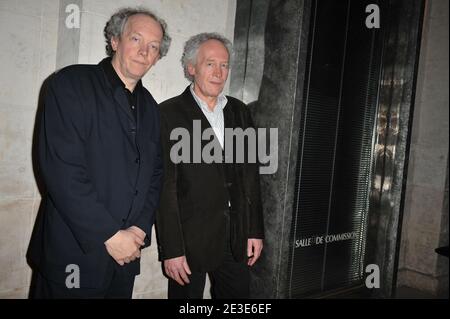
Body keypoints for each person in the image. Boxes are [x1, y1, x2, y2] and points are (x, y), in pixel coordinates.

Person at [27, 7, 171, 298]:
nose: (145, 51)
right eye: (136, 39)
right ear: (115, 40)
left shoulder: (152, 108)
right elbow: (62, 170)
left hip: (125, 259)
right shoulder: (69, 84)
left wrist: (140, 230)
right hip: (73, 256)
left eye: (153, 47)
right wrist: (110, 235)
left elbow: (155, 174)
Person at [157, 33, 264, 299]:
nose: (219, 72)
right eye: (210, 64)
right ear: (191, 68)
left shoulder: (240, 112)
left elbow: (250, 177)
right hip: (189, 240)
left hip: (235, 237)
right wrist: (172, 249)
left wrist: (254, 230)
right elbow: (164, 189)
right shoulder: (167, 114)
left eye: (224, 65)